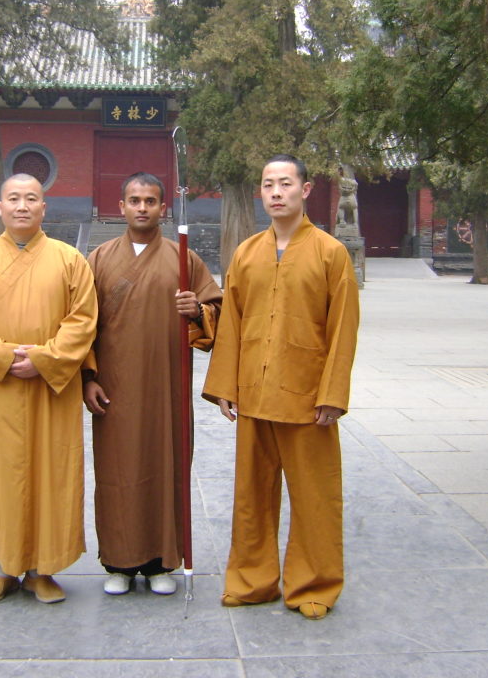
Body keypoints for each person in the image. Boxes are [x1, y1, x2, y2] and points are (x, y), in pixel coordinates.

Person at [203, 154, 359, 621]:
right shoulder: (246, 252)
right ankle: (253, 580)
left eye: (285, 183)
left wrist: (332, 394)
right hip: (254, 391)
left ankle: (315, 584)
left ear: (305, 190)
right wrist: (226, 384)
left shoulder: (331, 252)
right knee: (252, 495)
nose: (276, 192)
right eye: (268, 183)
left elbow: (343, 328)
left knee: (315, 495)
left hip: (308, 397)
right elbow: (231, 322)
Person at [0, 174, 98, 605]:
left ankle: (42, 570)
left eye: (32, 198)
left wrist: (45, 360)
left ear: (44, 207)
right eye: (14, 198)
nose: (22, 206)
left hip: (52, 386)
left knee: (51, 475)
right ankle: (3, 567)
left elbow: (83, 321)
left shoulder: (70, 261)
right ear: (0, 207)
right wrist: (4, 358)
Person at [84, 172, 222, 596]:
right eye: (134, 199)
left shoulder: (185, 258)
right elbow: (80, 323)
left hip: (167, 387)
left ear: (164, 208)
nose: (142, 207)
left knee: (168, 466)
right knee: (117, 472)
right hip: (116, 388)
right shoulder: (98, 258)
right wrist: (87, 377)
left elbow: (216, 311)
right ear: (121, 206)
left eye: (150, 200)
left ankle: (164, 560)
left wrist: (196, 309)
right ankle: (119, 563)